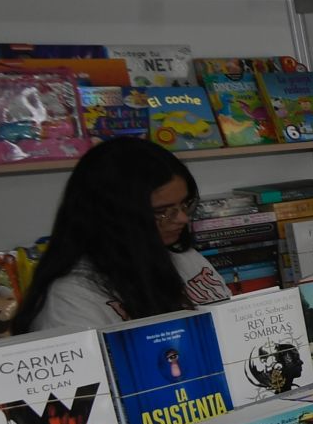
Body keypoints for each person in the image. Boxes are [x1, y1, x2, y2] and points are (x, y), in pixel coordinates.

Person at [15, 138, 232, 332]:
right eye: (162, 212)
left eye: (185, 204)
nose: (183, 218)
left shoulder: (181, 254)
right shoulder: (72, 296)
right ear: (115, 215)